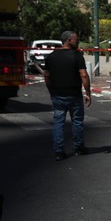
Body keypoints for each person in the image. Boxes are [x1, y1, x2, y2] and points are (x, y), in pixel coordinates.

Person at [44, 31, 91, 161]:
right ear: (69, 40)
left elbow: (46, 75)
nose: (78, 41)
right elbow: (84, 75)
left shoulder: (51, 57)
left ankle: (59, 151)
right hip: (74, 95)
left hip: (57, 94)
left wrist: (51, 91)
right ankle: (79, 148)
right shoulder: (77, 56)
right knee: (77, 121)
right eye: (76, 39)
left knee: (58, 122)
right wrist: (88, 93)